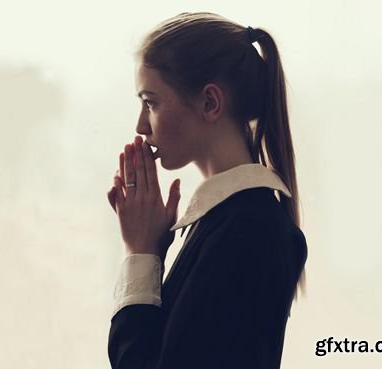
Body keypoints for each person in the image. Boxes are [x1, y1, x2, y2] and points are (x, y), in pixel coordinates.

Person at [106, 12, 308, 369]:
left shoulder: (250, 229)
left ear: (210, 103)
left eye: (150, 102)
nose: (140, 126)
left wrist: (140, 251)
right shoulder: (230, 221)